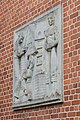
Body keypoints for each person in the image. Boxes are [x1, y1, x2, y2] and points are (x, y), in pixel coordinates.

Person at [44, 16, 59, 97]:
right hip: (47, 51)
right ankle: (48, 92)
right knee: (47, 69)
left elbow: (57, 40)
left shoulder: (55, 28)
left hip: (53, 50)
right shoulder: (46, 31)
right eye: (48, 19)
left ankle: (54, 90)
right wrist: (46, 46)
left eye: (51, 19)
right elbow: (45, 43)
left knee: (53, 68)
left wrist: (50, 45)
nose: (50, 20)